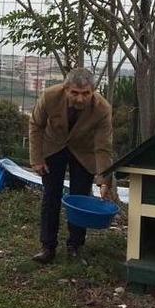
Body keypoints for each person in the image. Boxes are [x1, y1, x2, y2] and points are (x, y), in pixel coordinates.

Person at [28, 67, 113, 264]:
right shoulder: (49, 96)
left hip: (83, 151)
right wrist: (37, 159)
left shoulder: (102, 109)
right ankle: (47, 247)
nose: (80, 99)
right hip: (53, 146)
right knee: (51, 196)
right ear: (65, 89)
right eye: (75, 93)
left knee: (80, 198)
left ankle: (75, 246)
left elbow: (103, 147)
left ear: (93, 91)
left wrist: (103, 179)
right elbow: (36, 125)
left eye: (86, 94)